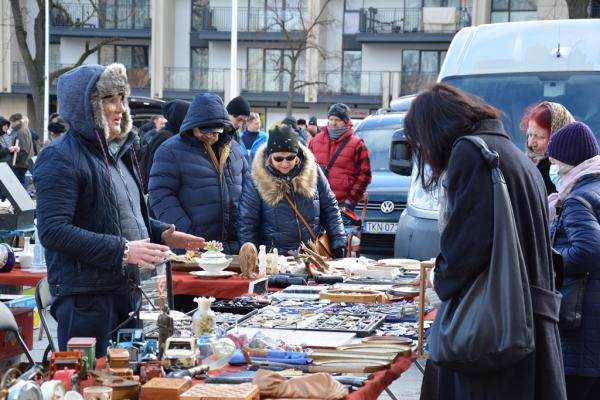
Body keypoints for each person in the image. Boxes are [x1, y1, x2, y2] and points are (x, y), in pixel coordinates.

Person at [32, 63, 205, 357]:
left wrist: (162, 233)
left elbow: (121, 216)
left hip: (125, 292)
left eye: (122, 99)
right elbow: (53, 231)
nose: (121, 108)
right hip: (86, 300)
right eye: (111, 100)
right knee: (91, 384)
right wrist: (123, 250)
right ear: (85, 107)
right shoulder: (59, 157)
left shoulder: (118, 154)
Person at [404, 84, 565, 399]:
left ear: (435, 131)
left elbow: (464, 251)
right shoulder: (513, 156)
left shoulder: (472, 153)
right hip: (526, 324)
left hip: (494, 330)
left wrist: (441, 277)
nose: (424, 151)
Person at [149, 92, 247, 254]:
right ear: (192, 126)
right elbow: (160, 194)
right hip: (191, 249)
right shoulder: (170, 150)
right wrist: (187, 232)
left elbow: (248, 189)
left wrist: (245, 233)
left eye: (216, 131)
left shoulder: (235, 149)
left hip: (233, 248)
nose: (211, 136)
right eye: (205, 131)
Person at [546, 121, 600, 400]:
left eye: (555, 159)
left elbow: (587, 250)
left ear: (569, 160)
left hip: (582, 317)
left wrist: (550, 258)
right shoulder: (595, 187)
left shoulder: (578, 199)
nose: (552, 165)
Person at [238, 125, 347, 256]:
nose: (285, 164)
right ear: (269, 157)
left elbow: (330, 207)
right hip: (275, 259)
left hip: (312, 255)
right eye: (278, 158)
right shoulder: (256, 178)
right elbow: (247, 221)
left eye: (290, 158)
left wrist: (338, 240)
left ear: (297, 155)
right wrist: (251, 255)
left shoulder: (313, 171)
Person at [309, 103, 372, 210]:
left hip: (342, 206)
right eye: (331, 119)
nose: (333, 123)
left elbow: (365, 175)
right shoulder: (315, 141)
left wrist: (350, 201)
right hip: (317, 203)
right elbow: (305, 169)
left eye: (337, 120)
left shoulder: (357, 144)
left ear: (346, 121)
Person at [521, 102, 575, 194]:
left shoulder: (560, 173)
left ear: (559, 136)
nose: (530, 143)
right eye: (529, 135)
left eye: (540, 137)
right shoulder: (528, 163)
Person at [141, 100, 190, 192]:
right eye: (186, 116)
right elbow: (153, 167)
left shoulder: (173, 134)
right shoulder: (166, 136)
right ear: (178, 116)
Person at [8, 113, 34, 188]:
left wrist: (13, 161)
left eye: (12, 122)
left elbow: (23, 150)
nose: (11, 124)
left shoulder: (21, 132)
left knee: (18, 186)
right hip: (19, 164)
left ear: (18, 121)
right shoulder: (19, 130)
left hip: (19, 164)